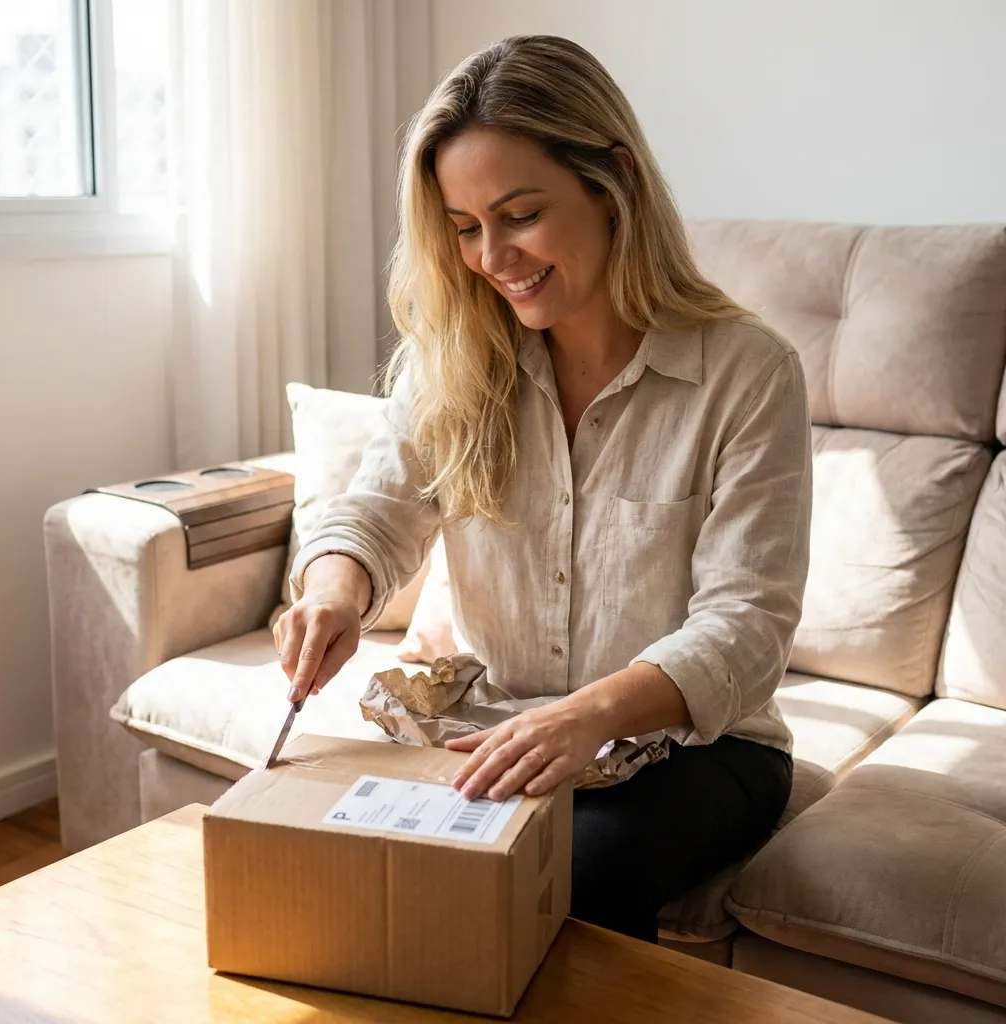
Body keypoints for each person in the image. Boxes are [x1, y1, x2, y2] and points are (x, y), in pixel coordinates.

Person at [274, 34, 812, 943]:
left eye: (520, 214)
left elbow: (748, 624)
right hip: (505, 729)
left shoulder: (749, 372)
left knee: (573, 868)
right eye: (464, 226)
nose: (492, 256)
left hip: (699, 752)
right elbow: (376, 510)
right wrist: (331, 594)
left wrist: (588, 716)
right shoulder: (454, 366)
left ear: (614, 183)